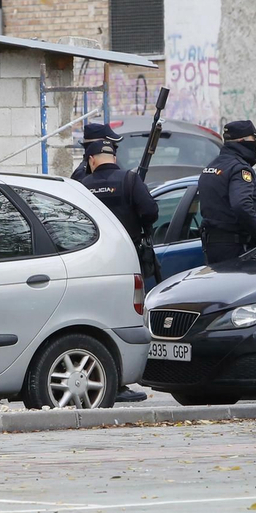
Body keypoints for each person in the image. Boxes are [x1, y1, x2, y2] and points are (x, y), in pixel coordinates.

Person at [79, 138, 156, 403]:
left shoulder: (82, 186)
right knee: (125, 320)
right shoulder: (130, 180)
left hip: (91, 261)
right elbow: (151, 212)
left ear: (90, 160)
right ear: (113, 156)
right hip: (126, 259)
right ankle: (122, 381)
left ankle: (98, 375)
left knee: (92, 320)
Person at [197, 120, 256, 264]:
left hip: (213, 246)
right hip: (236, 247)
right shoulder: (239, 169)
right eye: (254, 139)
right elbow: (241, 205)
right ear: (242, 141)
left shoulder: (212, 167)